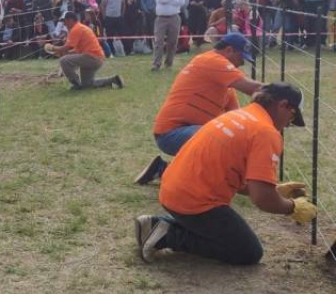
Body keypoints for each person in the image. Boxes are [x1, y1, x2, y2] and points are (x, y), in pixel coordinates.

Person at [135, 83, 315, 266]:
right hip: (195, 202)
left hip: (173, 191)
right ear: (283, 105)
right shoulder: (265, 132)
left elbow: (236, 176)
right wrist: (292, 208)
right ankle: (165, 235)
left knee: (225, 234)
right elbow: (262, 199)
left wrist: (275, 190)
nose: (287, 125)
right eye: (292, 117)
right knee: (248, 251)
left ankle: (157, 226)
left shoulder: (239, 115)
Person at [134, 33, 262, 185]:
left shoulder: (226, 86)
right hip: (171, 134)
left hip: (186, 131)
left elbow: (236, 118)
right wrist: (285, 93)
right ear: (229, 50)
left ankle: (163, 169)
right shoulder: (212, 61)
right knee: (217, 139)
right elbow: (253, 88)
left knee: (228, 140)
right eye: (241, 58)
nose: (241, 64)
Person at [47, 10, 124, 90]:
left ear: (70, 20)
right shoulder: (80, 27)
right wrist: (62, 53)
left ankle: (76, 83)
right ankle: (114, 80)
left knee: (64, 61)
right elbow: (75, 51)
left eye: (65, 21)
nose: (64, 24)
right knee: (87, 84)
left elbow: (67, 47)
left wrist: (52, 48)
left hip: (91, 57)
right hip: (95, 57)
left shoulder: (76, 29)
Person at [152, 0, 187, 70]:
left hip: (174, 17)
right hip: (161, 18)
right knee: (158, 41)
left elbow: (181, 2)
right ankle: (156, 64)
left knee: (172, 42)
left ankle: (169, 63)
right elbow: (159, 0)